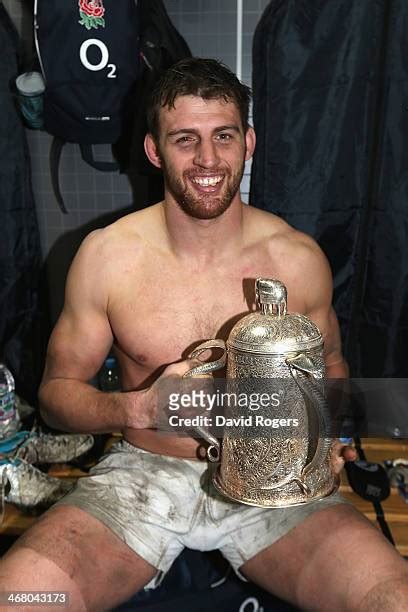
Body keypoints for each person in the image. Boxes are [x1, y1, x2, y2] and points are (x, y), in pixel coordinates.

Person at [0, 58, 407, 612]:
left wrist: (324, 443)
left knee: (394, 598)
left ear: (250, 142)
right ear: (153, 150)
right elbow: (55, 398)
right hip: (145, 478)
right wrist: (139, 409)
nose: (208, 160)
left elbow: (332, 372)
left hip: (273, 483)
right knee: (20, 598)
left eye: (224, 136)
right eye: (185, 139)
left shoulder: (297, 259)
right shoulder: (106, 257)